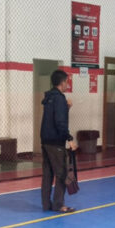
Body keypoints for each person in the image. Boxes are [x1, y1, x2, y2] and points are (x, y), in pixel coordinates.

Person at [40, 69, 77, 213]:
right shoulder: (60, 98)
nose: (68, 84)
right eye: (67, 81)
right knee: (61, 174)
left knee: (47, 174)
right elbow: (60, 122)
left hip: (45, 141)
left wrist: (66, 108)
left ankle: (46, 204)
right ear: (62, 82)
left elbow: (53, 118)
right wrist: (69, 139)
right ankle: (58, 204)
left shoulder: (49, 97)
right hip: (56, 143)